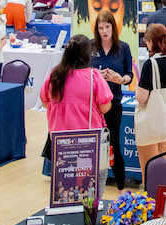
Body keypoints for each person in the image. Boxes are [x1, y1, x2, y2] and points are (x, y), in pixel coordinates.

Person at [41, 34, 114, 178]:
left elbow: (45, 103)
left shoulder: (55, 75)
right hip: (87, 140)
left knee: (64, 184)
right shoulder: (94, 76)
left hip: (59, 140)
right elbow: (105, 107)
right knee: (89, 183)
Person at [91, 10, 134, 190]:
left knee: (114, 144)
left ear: (113, 28)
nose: (104, 31)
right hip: (93, 104)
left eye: (107, 27)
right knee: (92, 143)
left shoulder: (123, 48)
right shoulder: (90, 47)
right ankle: (90, 184)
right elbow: (82, 72)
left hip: (114, 103)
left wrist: (120, 79)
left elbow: (129, 75)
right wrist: (95, 75)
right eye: (101, 28)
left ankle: (121, 186)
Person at [135, 23, 166, 180]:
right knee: (162, 166)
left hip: (150, 121)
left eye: (146, 40)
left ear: (152, 42)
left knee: (149, 169)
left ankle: (151, 201)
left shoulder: (150, 64)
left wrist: (136, 89)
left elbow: (141, 98)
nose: (145, 43)